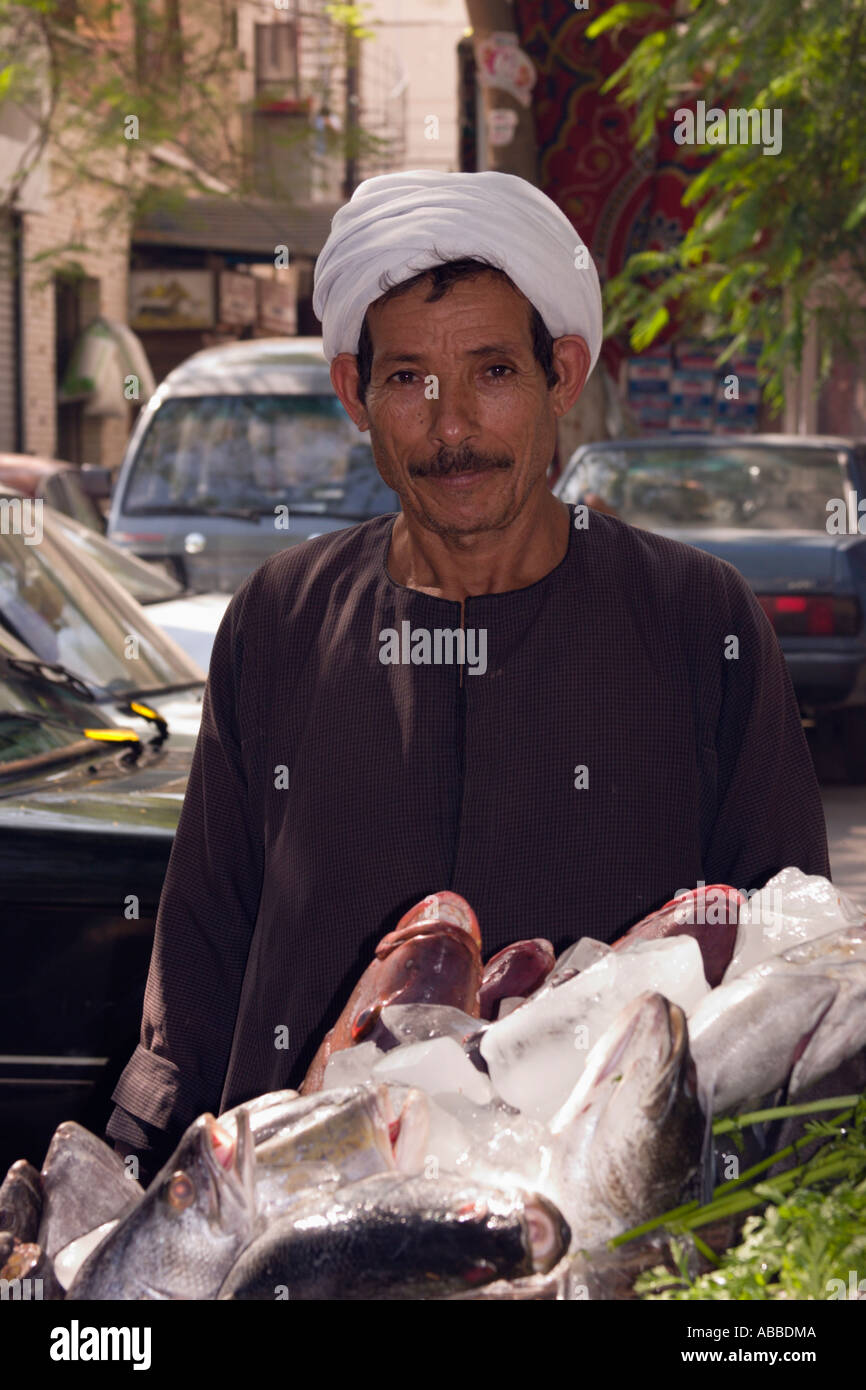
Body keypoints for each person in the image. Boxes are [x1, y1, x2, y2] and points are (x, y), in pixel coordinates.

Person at [106, 170, 830, 1181]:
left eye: (491, 372)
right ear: (355, 393)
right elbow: (199, 957)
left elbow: (782, 970)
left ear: (562, 375)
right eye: (408, 379)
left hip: (593, 1236)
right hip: (300, 1232)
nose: (450, 428)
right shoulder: (280, 620)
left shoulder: (694, 622)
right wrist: (130, 1196)